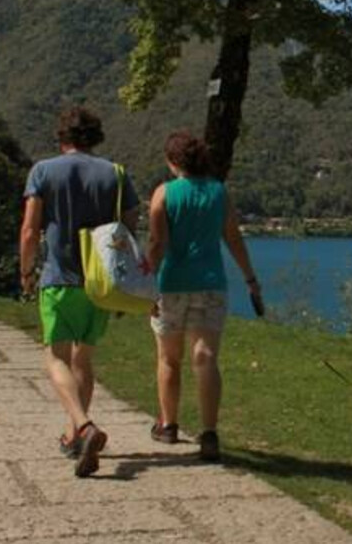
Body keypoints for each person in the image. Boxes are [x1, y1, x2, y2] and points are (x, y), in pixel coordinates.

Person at [19, 108, 139, 478]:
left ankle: (84, 427)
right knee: (83, 360)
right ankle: (74, 436)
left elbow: (29, 230)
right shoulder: (115, 173)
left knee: (54, 357)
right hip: (99, 283)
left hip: (59, 278)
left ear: (62, 136)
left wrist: (25, 271)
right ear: (95, 137)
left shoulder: (43, 171)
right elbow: (129, 229)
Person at [145, 130, 262, 461]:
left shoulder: (164, 194)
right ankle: (209, 433)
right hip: (211, 283)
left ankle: (168, 425)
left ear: (172, 162)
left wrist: (143, 284)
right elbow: (234, 239)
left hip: (171, 284)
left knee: (169, 357)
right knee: (205, 357)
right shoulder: (219, 193)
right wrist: (251, 278)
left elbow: (156, 244)